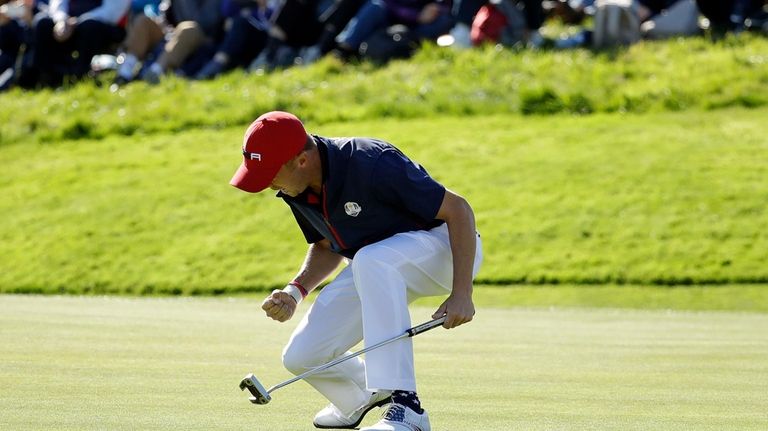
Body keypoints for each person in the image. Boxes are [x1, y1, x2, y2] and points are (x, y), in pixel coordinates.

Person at [229, 111, 483, 431]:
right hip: (378, 265)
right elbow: (325, 246)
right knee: (303, 354)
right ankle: (357, 397)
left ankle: (408, 409)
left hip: (446, 251)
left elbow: (458, 210)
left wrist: (462, 293)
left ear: (302, 160)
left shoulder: (371, 162)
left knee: (370, 259)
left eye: (270, 174)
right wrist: (295, 291)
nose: (266, 185)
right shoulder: (295, 188)